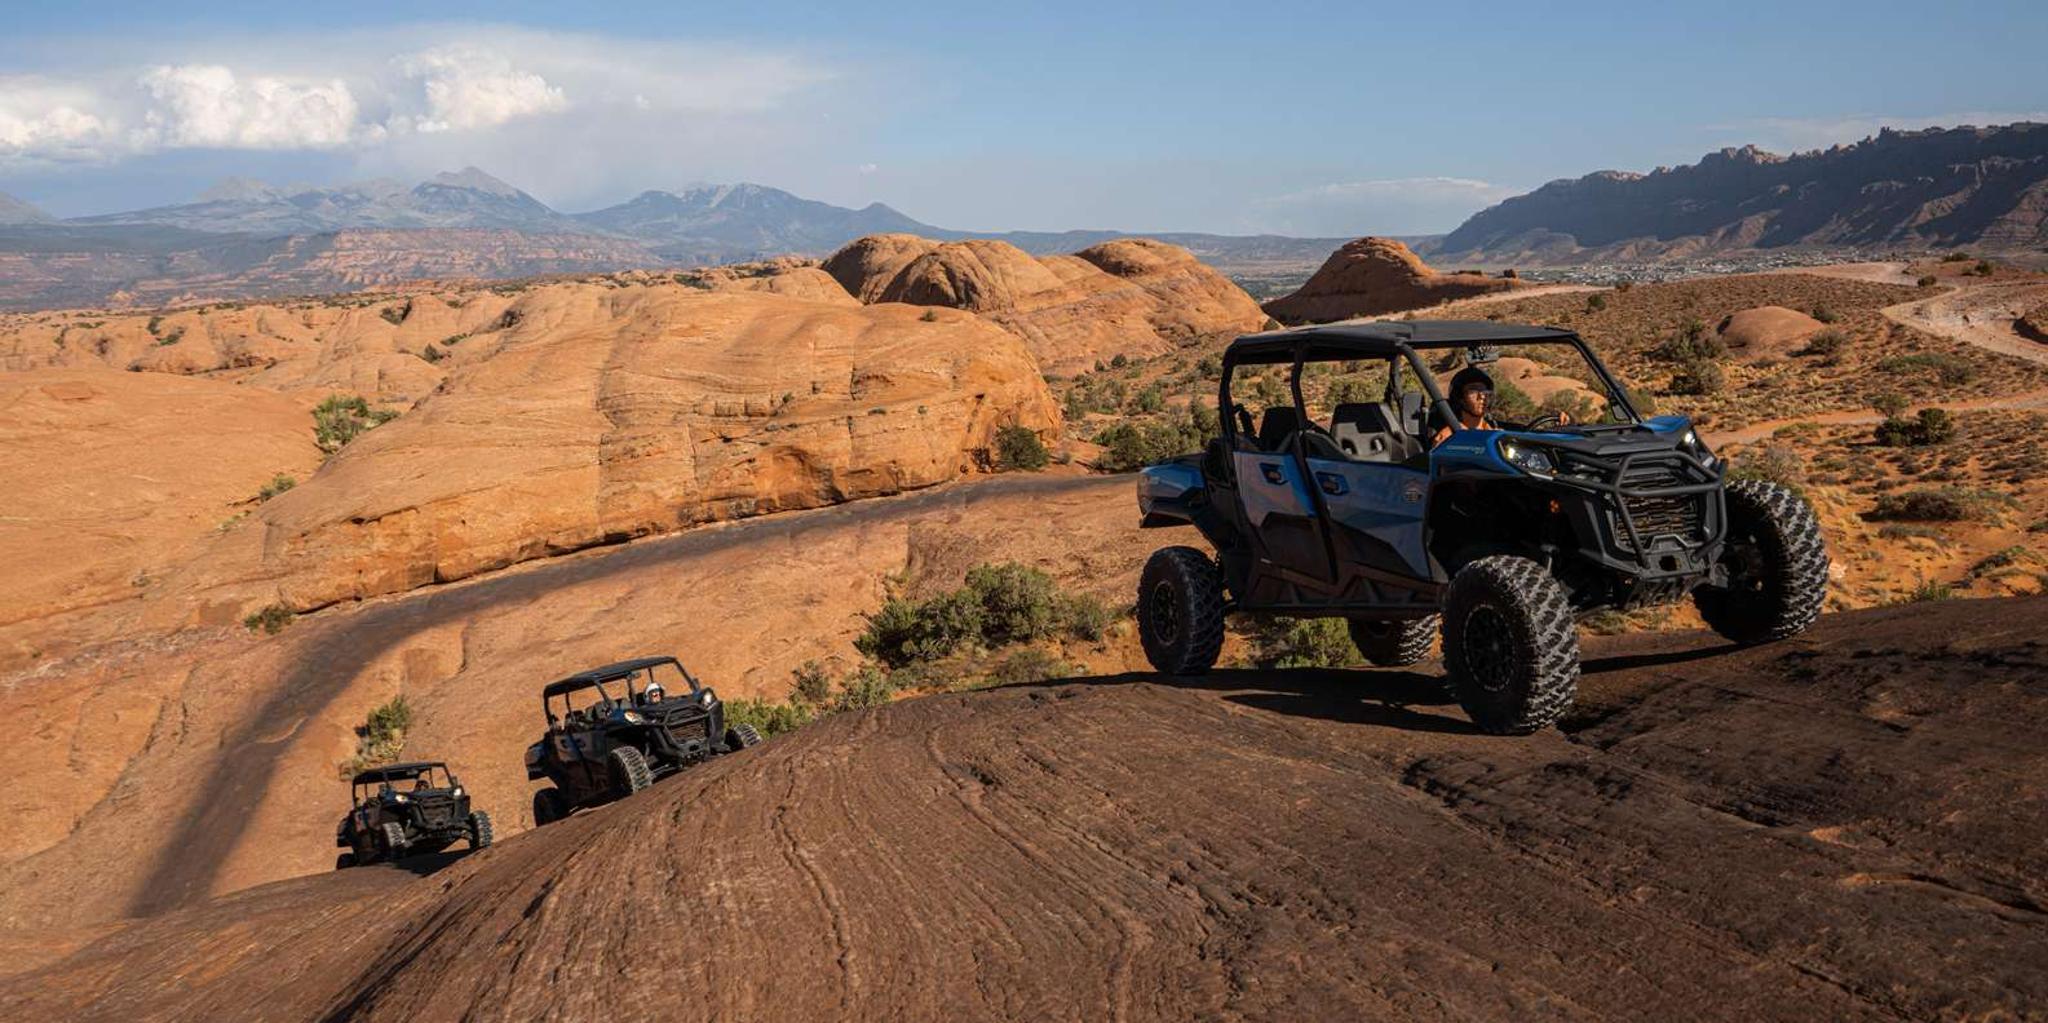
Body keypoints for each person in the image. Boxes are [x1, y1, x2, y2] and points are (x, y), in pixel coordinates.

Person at [1429, 365, 1570, 447]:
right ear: (1460, 398)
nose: (1482, 396)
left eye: (1485, 391)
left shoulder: (1495, 427)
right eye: (1473, 391)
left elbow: (1526, 432)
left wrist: (1558, 425)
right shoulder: (1449, 434)